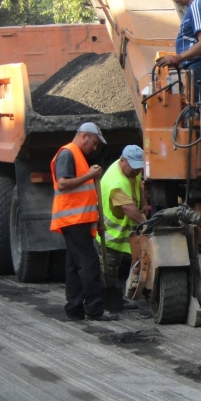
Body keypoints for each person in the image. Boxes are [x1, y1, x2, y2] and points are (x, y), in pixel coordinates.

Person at [50, 122, 118, 322]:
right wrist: (89, 175)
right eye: (94, 143)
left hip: (76, 220)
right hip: (73, 219)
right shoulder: (68, 153)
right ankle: (94, 309)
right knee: (89, 264)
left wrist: (95, 220)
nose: (94, 148)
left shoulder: (76, 155)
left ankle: (74, 309)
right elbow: (62, 183)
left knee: (74, 267)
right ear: (84, 136)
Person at [98, 145, 147, 303]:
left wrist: (144, 202)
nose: (136, 172)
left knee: (119, 268)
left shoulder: (131, 171)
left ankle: (116, 299)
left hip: (122, 235)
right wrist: (145, 223)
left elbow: (140, 183)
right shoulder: (116, 182)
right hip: (110, 236)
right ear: (122, 161)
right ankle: (109, 303)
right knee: (109, 271)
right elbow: (128, 208)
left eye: (139, 169)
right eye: (133, 169)